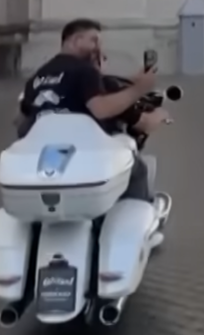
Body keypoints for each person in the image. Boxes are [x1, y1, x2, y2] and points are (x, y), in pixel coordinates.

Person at [17, 19, 161, 204]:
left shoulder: (38, 76)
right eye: (94, 41)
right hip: (83, 150)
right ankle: (138, 213)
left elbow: (22, 117)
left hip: (44, 154)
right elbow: (100, 108)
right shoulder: (84, 71)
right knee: (137, 169)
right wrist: (140, 88)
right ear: (75, 41)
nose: (97, 48)